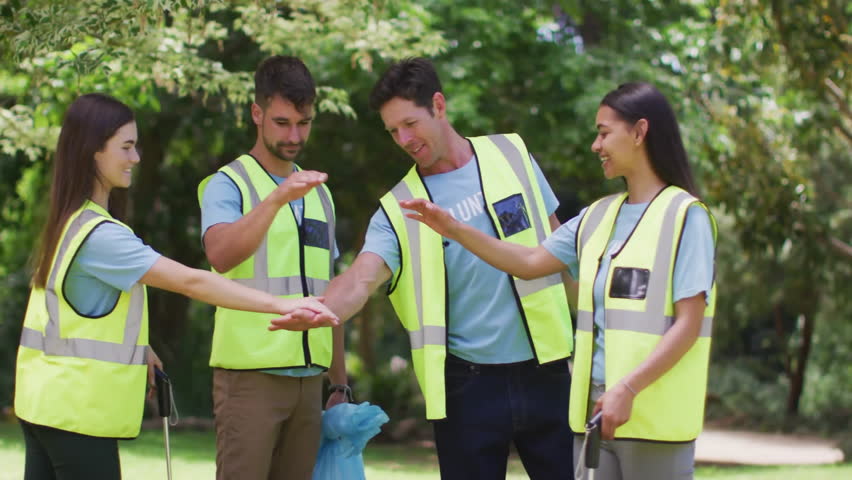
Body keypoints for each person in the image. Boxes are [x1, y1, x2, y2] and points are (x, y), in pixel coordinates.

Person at [272, 57, 575, 479]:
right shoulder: (397, 209)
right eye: (393, 131)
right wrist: (321, 309)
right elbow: (361, 277)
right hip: (467, 391)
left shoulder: (511, 152)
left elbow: (560, 249)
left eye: (410, 124)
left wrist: (596, 349)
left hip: (548, 373)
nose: (404, 139)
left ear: (438, 104)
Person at [399, 82, 717, 480]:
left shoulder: (687, 217)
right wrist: (454, 228)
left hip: (654, 422)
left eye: (604, 133)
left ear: (639, 132)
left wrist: (629, 388)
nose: (595, 145)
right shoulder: (597, 217)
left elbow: (689, 323)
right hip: (596, 417)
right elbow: (531, 260)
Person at [14, 93, 337, 480]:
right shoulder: (101, 236)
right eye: (127, 147)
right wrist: (282, 306)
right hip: (75, 413)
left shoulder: (71, 222)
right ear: (92, 152)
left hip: (41, 405)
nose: (136, 158)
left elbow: (71, 313)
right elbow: (190, 280)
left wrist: (140, 348)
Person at [197, 55, 347, 480]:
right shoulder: (228, 183)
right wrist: (277, 198)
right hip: (249, 379)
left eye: (304, 122)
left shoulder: (321, 194)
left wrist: (339, 383)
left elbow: (330, 292)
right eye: (283, 123)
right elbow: (220, 255)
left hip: (310, 382)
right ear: (257, 113)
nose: (295, 135)